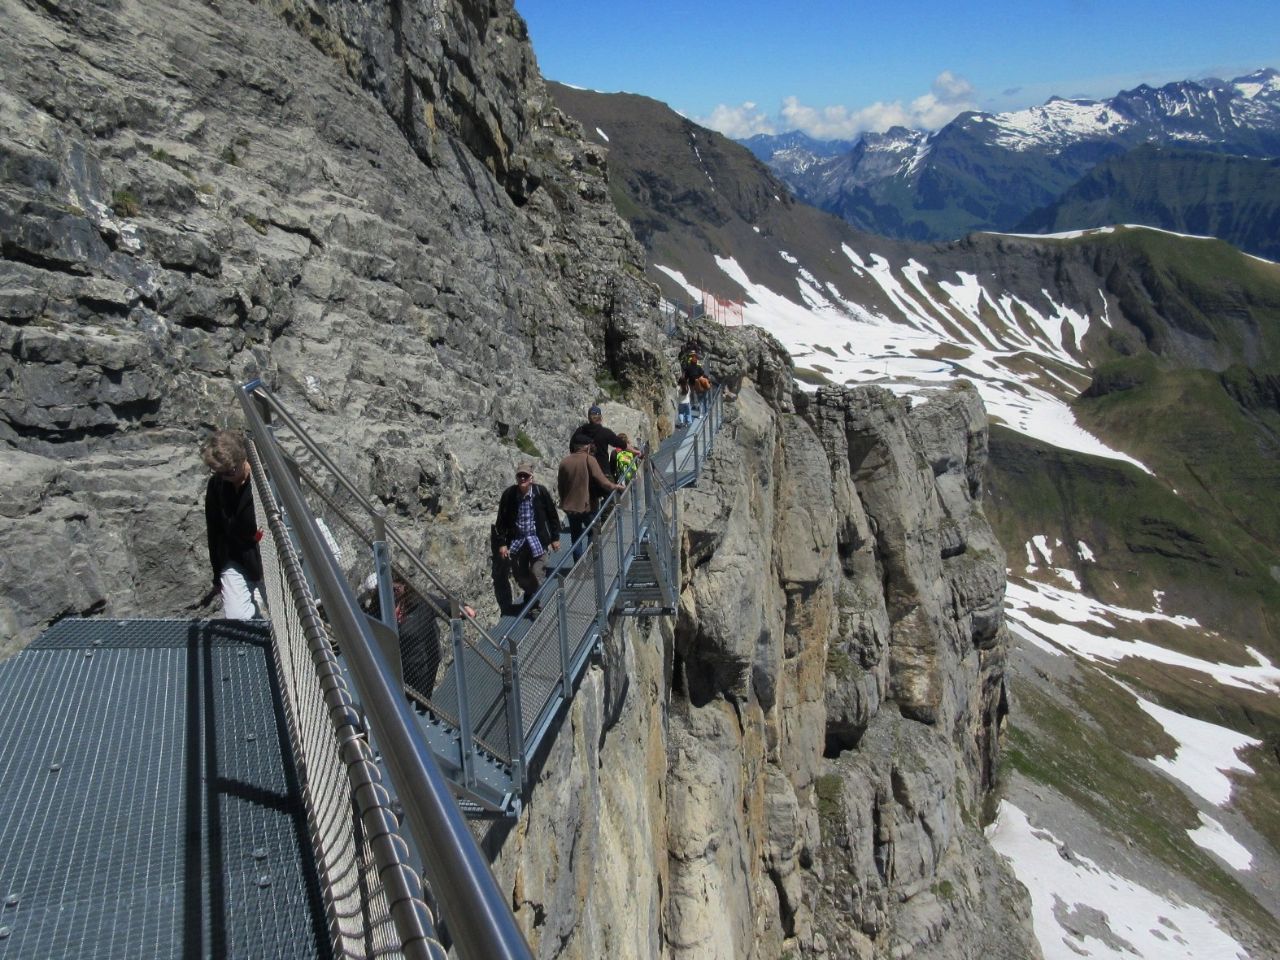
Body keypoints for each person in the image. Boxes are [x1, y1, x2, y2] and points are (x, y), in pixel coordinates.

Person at [201, 429, 266, 619]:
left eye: (229, 472)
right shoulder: (217, 485)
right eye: (218, 472)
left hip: (267, 557)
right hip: (237, 556)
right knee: (237, 616)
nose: (224, 477)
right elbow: (215, 530)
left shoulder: (263, 483)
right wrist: (217, 576)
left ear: (242, 460)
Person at [494, 462, 561, 613]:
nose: (523, 478)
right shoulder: (509, 495)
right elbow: (501, 520)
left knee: (538, 574)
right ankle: (530, 597)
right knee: (520, 575)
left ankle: (533, 605)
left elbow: (552, 515)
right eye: (520, 476)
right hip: (518, 542)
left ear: (531, 478)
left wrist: (555, 538)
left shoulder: (540, 492)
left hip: (537, 541)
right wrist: (502, 543)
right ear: (517, 478)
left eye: (526, 476)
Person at [391, 579, 475, 697]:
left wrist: (462, 608)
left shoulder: (421, 600)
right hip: (401, 662)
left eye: (396, 589)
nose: (393, 593)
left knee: (422, 699)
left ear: (405, 586)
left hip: (424, 660)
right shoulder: (384, 603)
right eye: (390, 589)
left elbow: (443, 604)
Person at [558, 436, 623, 561]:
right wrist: (616, 486)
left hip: (570, 507)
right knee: (594, 532)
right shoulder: (589, 459)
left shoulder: (564, 462)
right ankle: (591, 562)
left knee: (576, 537)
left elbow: (561, 486)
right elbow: (603, 481)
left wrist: (564, 501)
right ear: (586, 446)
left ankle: (578, 565)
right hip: (587, 506)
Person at [573, 404, 641, 479]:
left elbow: (572, 449)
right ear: (601, 418)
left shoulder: (580, 431)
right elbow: (622, 444)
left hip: (586, 475)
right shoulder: (605, 432)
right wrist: (635, 451)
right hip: (603, 473)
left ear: (589, 418)